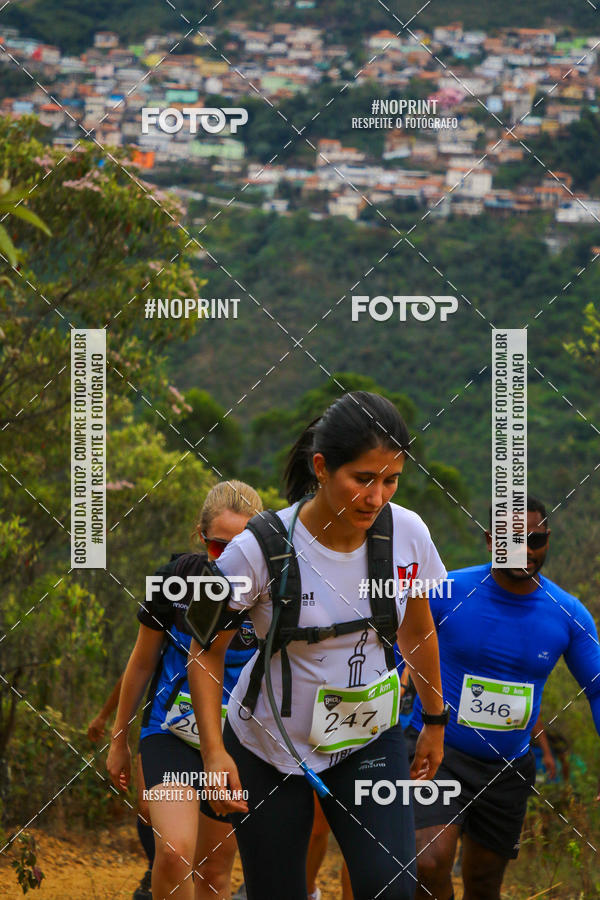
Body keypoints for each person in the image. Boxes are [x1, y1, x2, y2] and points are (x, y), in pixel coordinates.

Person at [188, 391, 449, 900]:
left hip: (367, 736)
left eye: (391, 480)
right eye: (363, 479)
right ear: (322, 468)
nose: (377, 498)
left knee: (390, 887)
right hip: (268, 746)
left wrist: (435, 722)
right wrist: (215, 753)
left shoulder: (407, 534)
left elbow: (417, 631)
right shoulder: (257, 549)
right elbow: (205, 649)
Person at [406, 496, 600, 900]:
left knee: (483, 883)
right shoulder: (446, 590)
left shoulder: (567, 613)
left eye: (536, 539)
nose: (526, 551)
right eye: (514, 540)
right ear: (491, 539)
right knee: (429, 863)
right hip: (439, 752)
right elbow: (397, 654)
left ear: (547, 539)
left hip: (506, 768)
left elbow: (597, 686)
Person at [107, 481, 263, 900]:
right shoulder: (172, 581)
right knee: (175, 854)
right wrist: (119, 739)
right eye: (218, 547)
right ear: (201, 538)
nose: (228, 559)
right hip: (169, 731)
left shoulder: (269, 590)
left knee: (214, 872)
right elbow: (140, 662)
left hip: (238, 741)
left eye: (242, 545)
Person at [89, 674, 155, 899]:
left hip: (223, 719)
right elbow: (134, 671)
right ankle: (155, 869)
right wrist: (103, 717)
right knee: (148, 809)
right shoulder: (167, 638)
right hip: (162, 723)